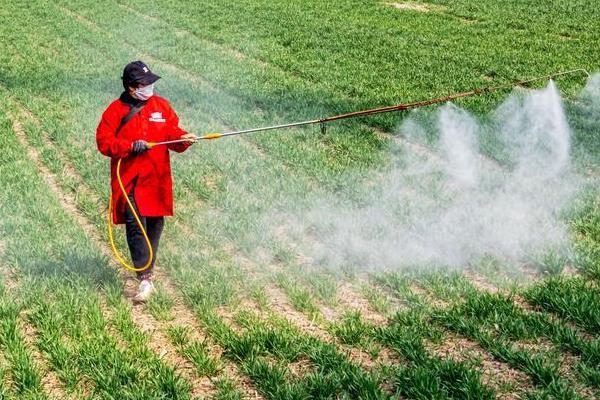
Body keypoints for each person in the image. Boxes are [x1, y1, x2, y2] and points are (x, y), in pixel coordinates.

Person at [96, 60, 196, 301]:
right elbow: (104, 142)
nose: (149, 87)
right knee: (135, 225)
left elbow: (172, 134)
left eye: (151, 82)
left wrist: (184, 138)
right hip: (130, 180)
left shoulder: (162, 106)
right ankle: (145, 278)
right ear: (131, 87)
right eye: (144, 83)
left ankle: (147, 269)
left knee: (154, 225)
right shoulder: (115, 111)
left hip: (156, 180)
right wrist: (129, 147)